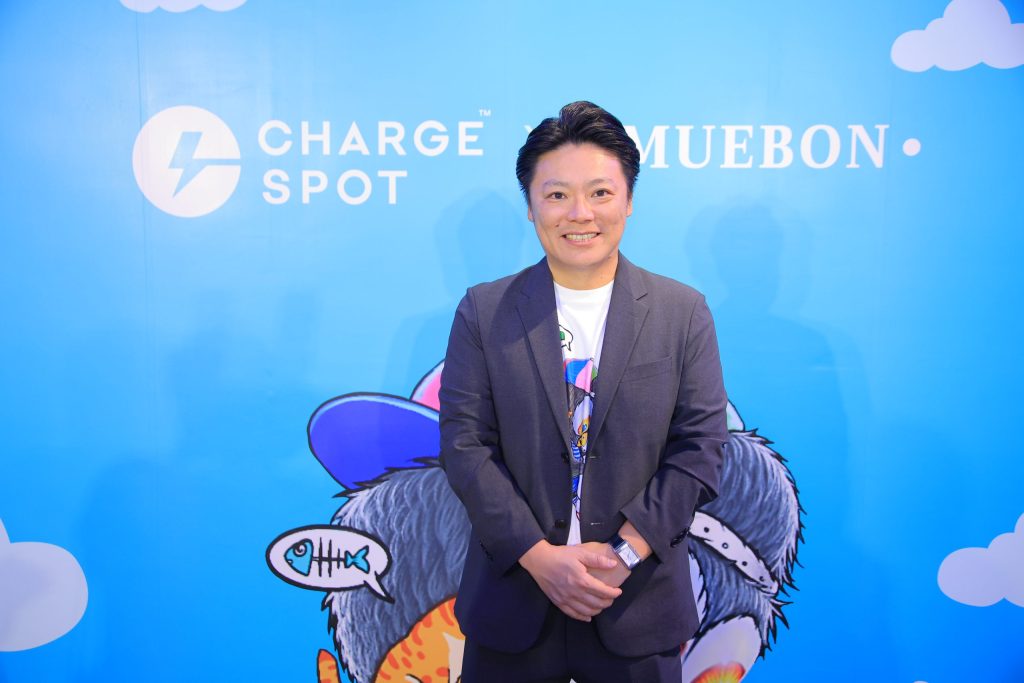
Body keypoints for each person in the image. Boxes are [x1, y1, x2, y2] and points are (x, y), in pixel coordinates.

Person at [439, 101, 728, 682]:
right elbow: (465, 447)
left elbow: (700, 451)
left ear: (628, 200)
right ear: (530, 206)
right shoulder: (484, 311)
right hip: (514, 602)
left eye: (600, 193)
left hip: (636, 604)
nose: (580, 213)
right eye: (557, 194)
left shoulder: (682, 312)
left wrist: (625, 553)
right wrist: (538, 557)